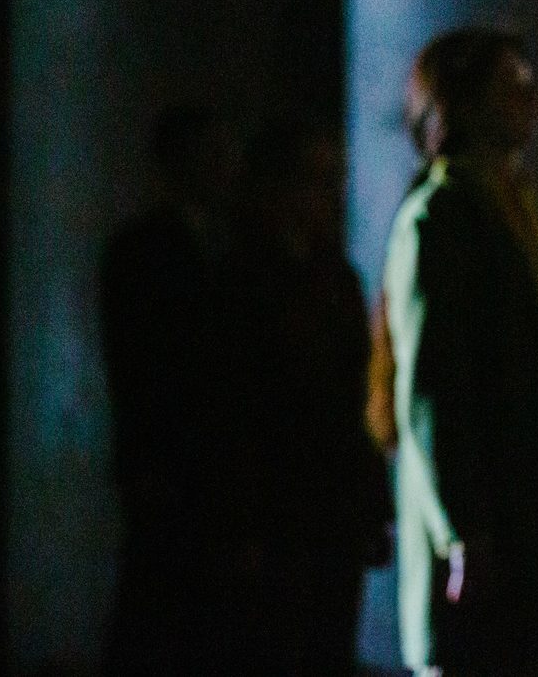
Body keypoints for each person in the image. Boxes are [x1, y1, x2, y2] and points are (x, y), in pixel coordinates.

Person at [382, 28, 538, 677]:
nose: (533, 101)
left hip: (530, 528)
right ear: (462, 103)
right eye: (511, 87)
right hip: (485, 542)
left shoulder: (523, 209)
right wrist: (462, 530)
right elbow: (430, 392)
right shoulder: (441, 215)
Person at [230, 118, 393, 674]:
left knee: (327, 646)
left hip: (331, 508)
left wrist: (373, 505)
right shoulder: (241, 281)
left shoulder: (336, 279)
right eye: (315, 179)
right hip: (276, 507)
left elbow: (358, 398)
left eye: (332, 180)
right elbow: (233, 410)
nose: (329, 195)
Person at [98, 103, 251, 676]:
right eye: (213, 154)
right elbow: (139, 368)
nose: (226, 167)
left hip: (195, 463)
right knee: (163, 606)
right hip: (171, 463)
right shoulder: (147, 252)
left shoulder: (221, 247)